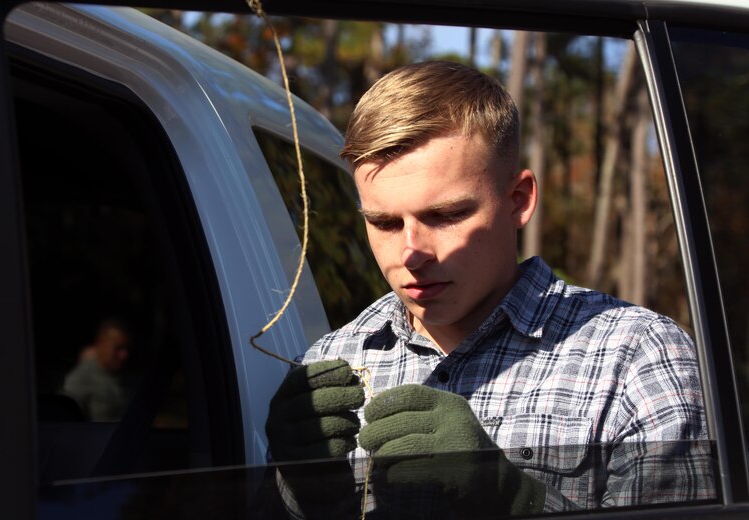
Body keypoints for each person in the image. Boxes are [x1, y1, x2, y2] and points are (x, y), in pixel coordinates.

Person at [264, 61, 713, 518]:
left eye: (445, 215)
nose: (411, 252)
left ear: (518, 200)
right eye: (384, 222)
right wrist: (299, 495)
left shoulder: (634, 356)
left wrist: (512, 497)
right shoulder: (327, 362)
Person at [63, 318, 130, 422]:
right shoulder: (80, 379)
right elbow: (67, 421)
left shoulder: (128, 377)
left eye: (126, 348)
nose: (124, 355)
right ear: (101, 344)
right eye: (118, 348)